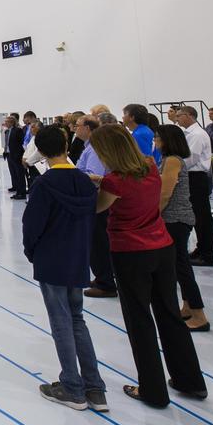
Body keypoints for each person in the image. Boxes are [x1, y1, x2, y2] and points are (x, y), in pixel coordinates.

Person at [92, 125, 206, 408]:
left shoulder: (114, 181)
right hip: (161, 247)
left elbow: (98, 208)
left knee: (140, 320)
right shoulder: (149, 167)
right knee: (169, 313)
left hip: (131, 252)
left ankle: (153, 390)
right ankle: (189, 380)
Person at [22, 125, 108, 413]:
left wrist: (32, 252)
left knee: (61, 321)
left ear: (42, 151)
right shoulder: (84, 183)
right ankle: (94, 387)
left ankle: (72, 386)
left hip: (53, 259)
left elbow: (32, 226)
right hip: (77, 258)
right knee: (76, 319)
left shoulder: (45, 185)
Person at [155, 125, 210, 332]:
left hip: (175, 220)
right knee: (179, 266)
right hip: (176, 219)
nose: (156, 142)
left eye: (158, 138)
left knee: (182, 268)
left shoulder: (172, 161)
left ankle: (199, 314)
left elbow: (165, 193)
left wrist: (153, 215)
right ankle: (187, 306)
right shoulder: (169, 160)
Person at [173, 106, 213, 267]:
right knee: (197, 216)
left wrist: (173, 167)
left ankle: (207, 253)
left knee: (202, 216)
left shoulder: (197, 135)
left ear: (190, 116)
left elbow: (190, 158)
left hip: (196, 177)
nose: (177, 118)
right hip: (191, 176)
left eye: (180, 115)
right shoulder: (189, 134)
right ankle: (201, 248)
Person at [78, 115, 116, 299]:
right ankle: (103, 276)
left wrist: (73, 175)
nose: (74, 128)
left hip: (97, 199)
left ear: (88, 128)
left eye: (77, 125)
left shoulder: (95, 150)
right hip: (97, 198)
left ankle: (106, 282)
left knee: (99, 242)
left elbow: (94, 177)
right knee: (97, 241)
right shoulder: (90, 148)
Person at [6, 114, 27, 199]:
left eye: (7, 122)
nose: (5, 123)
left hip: (17, 156)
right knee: (15, 175)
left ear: (11, 122)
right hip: (11, 155)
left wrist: (18, 155)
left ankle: (22, 193)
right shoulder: (8, 131)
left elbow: (21, 143)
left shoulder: (17, 130)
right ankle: (18, 192)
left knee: (20, 175)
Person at [22, 120, 45, 186]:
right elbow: (28, 150)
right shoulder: (33, 138)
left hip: (37, 166)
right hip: (30, 166)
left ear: (39, 128)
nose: (30, 129)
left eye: (32, 127)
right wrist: (24, 158)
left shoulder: (41, 138)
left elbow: (38, 153)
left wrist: (27, 161)